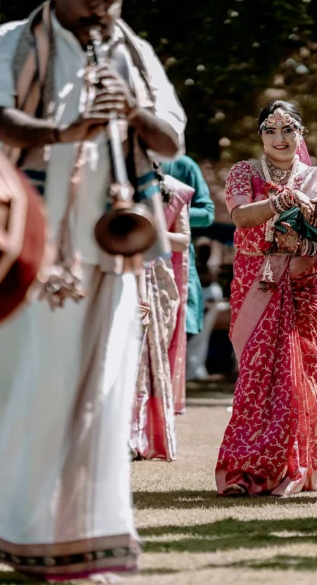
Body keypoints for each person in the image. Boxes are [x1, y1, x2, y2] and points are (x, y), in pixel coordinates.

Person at [0, 0, 186, 578]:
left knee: (101, 393)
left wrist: (133, 107)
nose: (99, 9)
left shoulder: (132, 50)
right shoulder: (13, 39)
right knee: (30, 389)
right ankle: (17, 530)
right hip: (27, 247)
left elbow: (171, 141)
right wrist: (66, 131)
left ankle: (87, 537)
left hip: (110, 250)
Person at [215, 100, 317, 497]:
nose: (280, 138)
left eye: (288, 129)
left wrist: (304, 247)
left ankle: (298, 468)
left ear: (301, 134)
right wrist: (281, 200)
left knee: (303, 376)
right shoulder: (244, 172)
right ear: (260, 135)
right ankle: (244, 469)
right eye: (271, 130)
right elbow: (241, 218)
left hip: (306, 284)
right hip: (256, 280)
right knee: (256, 375)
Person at [130, 169, 193, 461]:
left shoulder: (172, 189)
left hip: (159, 286)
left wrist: (151, 231)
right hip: (121, 274)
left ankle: (142, 436)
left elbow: (183, 240)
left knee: (150, 358)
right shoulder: (115, 180)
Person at [160, 155, 215, 386]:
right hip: (133, 262)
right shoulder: (119, 156)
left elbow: (207, 213)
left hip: (175, 264)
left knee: (171, 340)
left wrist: (168, 213)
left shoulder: (183, 165)